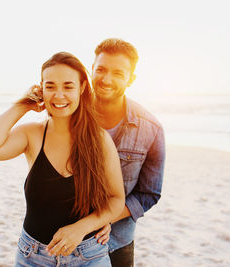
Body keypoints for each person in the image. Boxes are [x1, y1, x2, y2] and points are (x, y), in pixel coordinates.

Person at [0, 52, 125, 266]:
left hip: (88, 256)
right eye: (51, 86)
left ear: (82, 88)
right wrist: (23, 105)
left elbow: (116, 199)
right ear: (41, 89)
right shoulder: (32, 135)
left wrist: (81, 228)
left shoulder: (99, 140)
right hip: (32, 256)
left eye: (68, 86)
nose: (59, 95)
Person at [92, 38, 165, 266]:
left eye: (118, 73)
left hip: (117, 241)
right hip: (68, 238)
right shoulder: (70, 116)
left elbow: (149, 194)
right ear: (90, 69)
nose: (106, 79)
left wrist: (105, 218)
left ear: (131, 79)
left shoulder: (151, 129)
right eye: (101, 69)